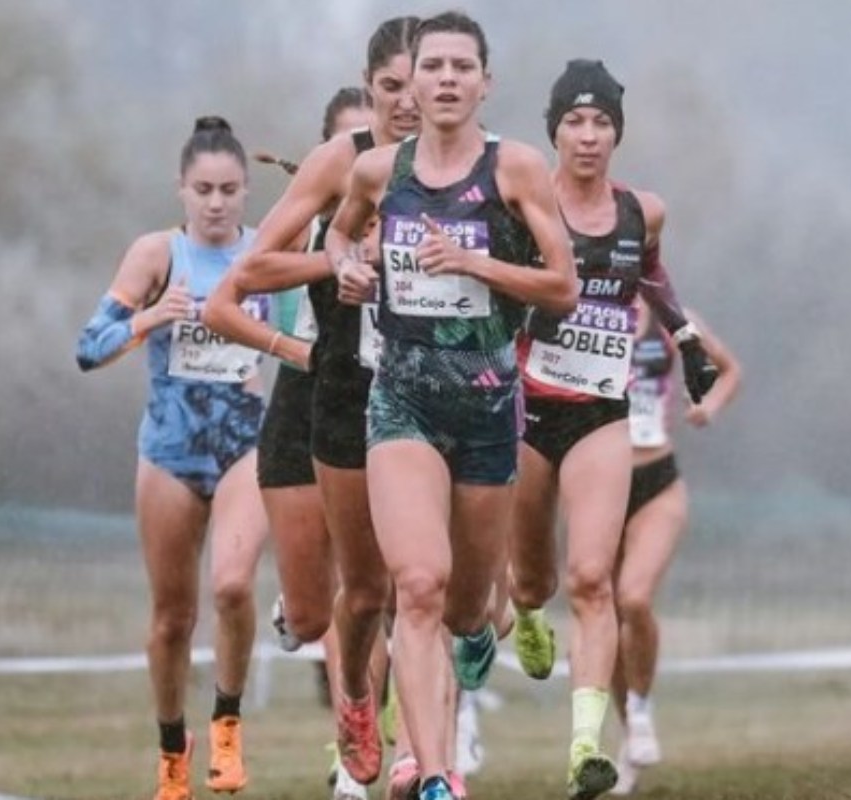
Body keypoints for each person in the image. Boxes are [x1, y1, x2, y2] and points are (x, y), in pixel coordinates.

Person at [325, 12, 578, 800]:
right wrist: (348, 269)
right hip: (399, 403)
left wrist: (474, 261)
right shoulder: (378, 172)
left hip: (487, 412)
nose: (442, 80)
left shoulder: (516, 171)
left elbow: (561, 287)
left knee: (469, 605)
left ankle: (478, 637)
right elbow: (337, 236)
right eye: (430, 65)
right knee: (419, 585)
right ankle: (434, 775)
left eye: (458, 67)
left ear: (483, 83)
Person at [204, 16, 422, 793]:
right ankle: (334, 668)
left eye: (414, 84)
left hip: (412, 396)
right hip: (316, 395)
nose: (401, 102)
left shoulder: (460, 172)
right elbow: (238, 287)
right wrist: (328, 264)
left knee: (408, 590)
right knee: (315, 613)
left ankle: (403, 761)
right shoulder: (336, 171)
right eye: (387, 88)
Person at [505, 59, 721, 800]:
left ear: (616, 135)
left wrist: (686, 341)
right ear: (554, 131)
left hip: (601, 415)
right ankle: (525, 612)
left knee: (592, 580)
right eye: (574, 122)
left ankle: (584, 750)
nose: (588, 136)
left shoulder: (642, 212)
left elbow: (652, 276)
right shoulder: (524, 206)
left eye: (600, 124)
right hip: (528, 412)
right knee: (531, 580)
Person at [75, 116, 271, 800]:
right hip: (168, 450)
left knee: (234, 586)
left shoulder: (266, 253)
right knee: (171, 618)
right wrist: (147, 319)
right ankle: (170, 748)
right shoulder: (157, 254)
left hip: (245, 442)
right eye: (203, 190)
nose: (215, 203)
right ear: (181, 191)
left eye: (228, 190)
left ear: (246, 191)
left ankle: (226, 720)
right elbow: (87, 347)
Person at [611, 302, 741, 795]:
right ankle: (628, 734)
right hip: (599, 486)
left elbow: (729, 372)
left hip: (657, 481)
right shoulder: (580, 307)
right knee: (603, 613)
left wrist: (707, 406)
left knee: (635, 599)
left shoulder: (673, 317)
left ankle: (641, 708)